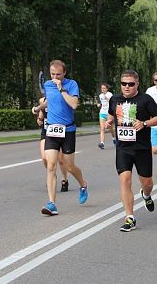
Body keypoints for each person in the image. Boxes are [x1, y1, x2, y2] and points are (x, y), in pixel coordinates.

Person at [105, 70, 157, 232]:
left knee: (147, 183)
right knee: (125, 180)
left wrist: (144, 123)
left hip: (142, 148)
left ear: (137, 84)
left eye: (131, 84)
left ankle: (146, 195)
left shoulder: (145, 99)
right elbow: (111, 115)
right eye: (124, 84)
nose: (127, 87)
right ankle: (130, 217)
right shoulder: (115, 99)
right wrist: (109, 122)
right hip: (123, 148)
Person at [32, 60, 88, 215]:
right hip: (52, 130)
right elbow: (50, 100)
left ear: (64, 73)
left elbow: (74, 104)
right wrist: (39, 108)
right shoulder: (48, 85)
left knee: (69, 166)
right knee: (51, 166)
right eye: (52, 74)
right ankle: (52, 203)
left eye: (58, 74)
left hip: (68, 130)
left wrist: (61, 88)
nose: (55, 77)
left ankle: (83, 184)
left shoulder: (71, 84)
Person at [37, 96, 69, 192]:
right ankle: (52, 174)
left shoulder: (60, 98)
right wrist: (39, 118)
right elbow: (40, 115)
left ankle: (65, 179)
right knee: (44, 158)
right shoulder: (42, 100)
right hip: (46, 131)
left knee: (60, 159)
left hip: (58, 131)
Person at [97, 83, 116, 148]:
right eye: (102, 88)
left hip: (109, 113)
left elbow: (112, 103)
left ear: (107, 89)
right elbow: (103, 103)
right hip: (102, 113)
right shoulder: (100, 95)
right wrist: (100, 105)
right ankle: (102, 143)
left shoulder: (110, 94)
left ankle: (114, 139)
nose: (103, 89)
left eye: (104, 88)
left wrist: (106, 98)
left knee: (111, 129)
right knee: (102, 128)